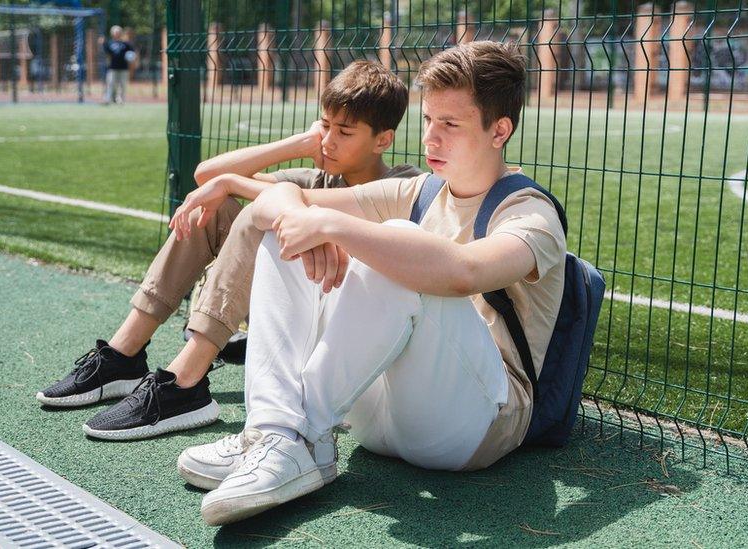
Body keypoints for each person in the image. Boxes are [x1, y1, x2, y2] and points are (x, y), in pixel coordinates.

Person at [180, 41, 568, 526]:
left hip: (475, 425)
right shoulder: (418, 190)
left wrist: (333, 227)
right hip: (376, 420)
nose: (431, 138)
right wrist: (253, 194)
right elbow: (281, 198)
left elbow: (463, 271)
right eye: (428, 120)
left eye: (451, 124)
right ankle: (278, 433)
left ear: (500, 130)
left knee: (397, 241)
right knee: (290, 234)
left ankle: (295, 435)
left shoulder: (530, 212)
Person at [36, 61, 420, 441]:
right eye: (324, 126)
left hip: (344, 332)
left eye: (345, 132)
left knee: (257, 213)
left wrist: (235, 184)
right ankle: (124, 356)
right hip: (298, 309)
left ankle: (186, 382)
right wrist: (298, 143)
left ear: (382, 140)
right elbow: (207, 175)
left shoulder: (403, 183)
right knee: (213, 210)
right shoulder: (320, 175)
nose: (328, 141)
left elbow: (318, 201)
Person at [101, 26, 135, 105]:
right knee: (110, 84)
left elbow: (132, 53)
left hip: (124, 68)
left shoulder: (125, 44)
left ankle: (121, 100)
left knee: (122, 85)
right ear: (112, 33)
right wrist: (103, 43)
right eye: (115, 32)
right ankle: (108, 99)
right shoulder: (109, 43)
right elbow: (106, 52)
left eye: (119, 32)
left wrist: (132, 58)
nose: (117, 34)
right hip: (112, 67)